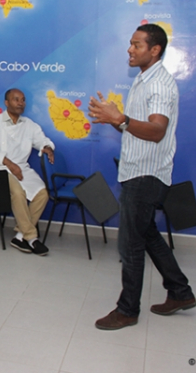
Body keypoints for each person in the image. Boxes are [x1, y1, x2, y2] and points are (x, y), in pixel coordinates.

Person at [89, 24, 195, 330]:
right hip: (139, 170)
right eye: (130, 43)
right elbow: (137, 128)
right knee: (146, 233)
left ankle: (128, 310)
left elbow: (157, 130)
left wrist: (119, 117)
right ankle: (180, 291)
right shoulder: (143, 79)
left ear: (155, 50)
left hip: (145, 174)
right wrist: (114, 120)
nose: (130, 49)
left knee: (131, 244)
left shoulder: (159, 84)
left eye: (137, 44)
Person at [0, 88, 53, 256]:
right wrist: (9, 164)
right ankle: (32, 238)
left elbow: (41, 139)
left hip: (21, 168)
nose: (20, 103)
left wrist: (47, 147)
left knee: (42, 194)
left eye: (23, 100)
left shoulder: (29, 124)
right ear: (6, 103)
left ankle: (20, 235)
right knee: (18, 193)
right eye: (16, 99)